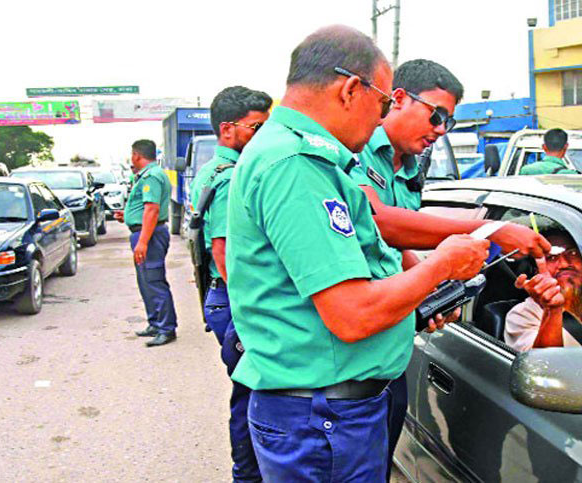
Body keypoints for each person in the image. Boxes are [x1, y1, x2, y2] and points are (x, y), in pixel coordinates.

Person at [225, 25, 490, 481]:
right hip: (322, 417)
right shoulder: (296, 167)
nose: (381, 119)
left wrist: (413, 299)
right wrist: (442, 265)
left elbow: (358, 275)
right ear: (351, 89)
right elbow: (351, 315)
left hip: (325, 411)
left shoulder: (305, 158)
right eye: (384, 103)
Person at [351, 58, 551, 479]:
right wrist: (492, 228)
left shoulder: (408, 167)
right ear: (400, 99)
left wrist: (425, 289)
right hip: (352, 351)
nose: (441, 130)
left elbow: (397, 244)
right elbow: (379, 222)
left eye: (450, 123)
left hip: (390, 351)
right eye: (437, 115)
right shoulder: (359, 147)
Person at [188, 85, 271, 482]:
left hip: (221, 296)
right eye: (256, 127)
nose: (262, 136)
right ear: (227, 130)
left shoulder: (212, 170)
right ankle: (248, 475)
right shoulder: (231, 176)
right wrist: (249, 310)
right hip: (234, 297)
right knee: (250, 396)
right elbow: (224, 251)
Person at [504, 229, 582, 359]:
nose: (564, 264)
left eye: (572, 253)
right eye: (552, 257)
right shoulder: (523, 315)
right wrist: (553, 310)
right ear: (537, 271)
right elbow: (542, 365)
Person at [114, 139, 178, 347]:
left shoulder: (151, 176)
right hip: (144, 232)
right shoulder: (149, 175)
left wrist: (142, 241)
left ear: (137, 155)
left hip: (149, 235)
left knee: (154, 280)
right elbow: (146, 209)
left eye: (132, 154)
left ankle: (166, 328)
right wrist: (128, 215)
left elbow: (152, 210)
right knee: (145, 282)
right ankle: (155, 322)